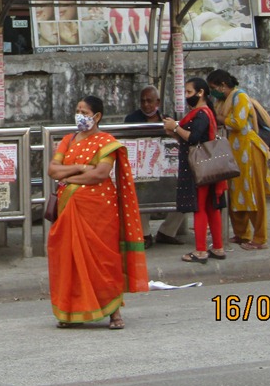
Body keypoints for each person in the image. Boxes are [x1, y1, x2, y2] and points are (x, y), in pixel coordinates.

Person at [48, 95, 149, 330]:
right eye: (77, 111)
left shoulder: (106, 142)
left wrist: (69, 176)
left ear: (97, 116)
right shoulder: (68, 140)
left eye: (84, 112)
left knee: (104, 259)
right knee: (69, 259)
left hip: (99, 210)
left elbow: (101, 174)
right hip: (69, 207)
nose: (79, 116)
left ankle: (113, 313)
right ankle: (71, 312)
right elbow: (53, 170)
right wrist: (80, 167)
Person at [206, 69, 270, 250]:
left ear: (223, 85)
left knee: (253, 192)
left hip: (249, 151)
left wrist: (218, 117)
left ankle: (260, 238)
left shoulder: (240, 97)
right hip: (232, 152)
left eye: (214, 88)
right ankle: (242, 234)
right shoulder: (221, 100)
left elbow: (238, 122)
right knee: (235, 194)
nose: (213, 92)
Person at [163, 77, 227, 263]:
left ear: (200, 93)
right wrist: (175, 131)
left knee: (200, 208)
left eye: (189, 92)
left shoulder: (201, 114)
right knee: (211, 207)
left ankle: (200, 251)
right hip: (208, 165)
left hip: (198, 167)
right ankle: (218, 247)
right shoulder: (206, 113)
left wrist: (176, 126)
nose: (187, 96)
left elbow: (194, 138)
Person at [125, 85, 188, 247]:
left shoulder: (167, 120)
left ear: (157, 102)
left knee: (187, 195)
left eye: (149, 101)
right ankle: (144, 234)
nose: (146, 105)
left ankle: (167, 232)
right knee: (141, 194)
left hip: (165, 169)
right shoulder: (131, 119)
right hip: (141, 171)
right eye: (143, 101)